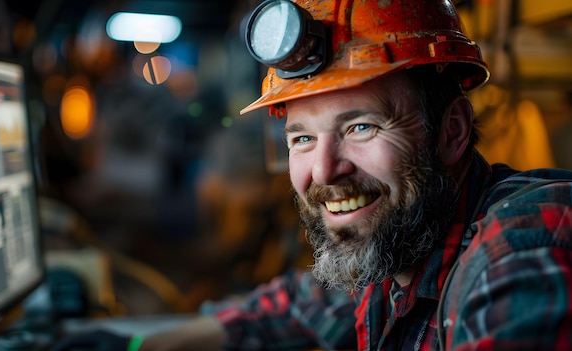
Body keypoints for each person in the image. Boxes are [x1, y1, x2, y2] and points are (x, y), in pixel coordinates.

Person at [52, 0, 572, 350]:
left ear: (453, 132)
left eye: (362, 127)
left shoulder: (523, 244)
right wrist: (141, 343)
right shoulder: (401, 252)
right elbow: (300, 305)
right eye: (302, 138)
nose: (323, 170)